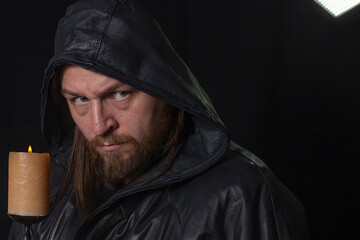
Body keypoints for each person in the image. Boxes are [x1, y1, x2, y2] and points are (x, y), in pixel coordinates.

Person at [9, 0, 309, 239]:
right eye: (81, 100)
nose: (99, 126)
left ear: (162, 89)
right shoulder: (49, 194)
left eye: (119, 94)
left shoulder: (241, 196)